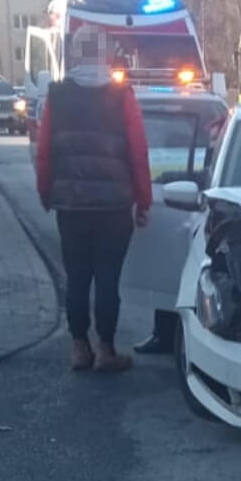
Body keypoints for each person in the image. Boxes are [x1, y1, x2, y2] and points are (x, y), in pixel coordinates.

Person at [34, 22, 152, 373]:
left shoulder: (57, 95)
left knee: (77, 277)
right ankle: (106, 349)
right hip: (114, 207)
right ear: (104, 56)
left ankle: (78, 347)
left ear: (74, 55)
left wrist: (46, 193)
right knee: (107, 278)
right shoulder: (121, 95)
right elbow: (138, 151)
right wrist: (143, 201)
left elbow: (44, 152)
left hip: (71, 206)